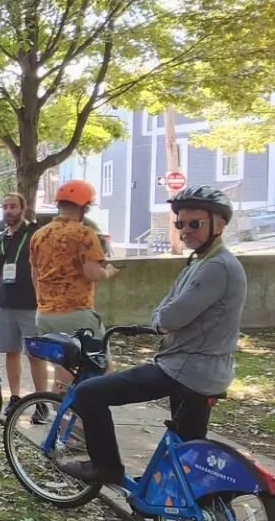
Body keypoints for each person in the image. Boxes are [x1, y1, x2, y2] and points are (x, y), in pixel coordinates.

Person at [58, 187, 247, 486]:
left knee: (89, 393)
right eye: (179, 224)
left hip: (185, 369)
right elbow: (168, 306)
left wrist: (161, 319)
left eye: (194, 223)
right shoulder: (201, 261)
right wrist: (163, 316)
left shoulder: (217, 267)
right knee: (188, 450)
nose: (185, 230)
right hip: (199, 369)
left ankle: (105, 467)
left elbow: (169, 317)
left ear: (219, 225)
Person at [28, 179, 119, 379]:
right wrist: (109, 272)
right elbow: (93, 273)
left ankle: (59, 408)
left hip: (44, 315)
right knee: (102, 369)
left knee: (63, 369)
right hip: (76, 313)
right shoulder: (84, 234)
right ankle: (90, 410)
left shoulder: (38, 235)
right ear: (84, 208)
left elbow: (35, 274)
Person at [0, 192, 48, 415]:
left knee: (35, 354)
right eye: (5, 206)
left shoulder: (34, 235)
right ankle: (15, 397)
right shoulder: (1, 238)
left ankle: (41, 401)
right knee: (10, 352)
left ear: (22, 209)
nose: (8, 210)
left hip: (30, 305)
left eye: (13, 206)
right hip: (4, 304)